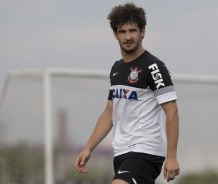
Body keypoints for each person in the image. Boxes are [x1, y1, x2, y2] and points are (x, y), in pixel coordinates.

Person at [75, 2, 180, 184]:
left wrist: (171, 156)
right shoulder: (116, 68)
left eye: (133, 30)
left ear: (143, 31)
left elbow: (172, 111)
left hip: (146, 150)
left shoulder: (154, 67)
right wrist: (88, 148)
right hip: (122, 151)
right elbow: (109, 113)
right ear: (115, 34)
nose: (128, 36)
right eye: (122, 32)